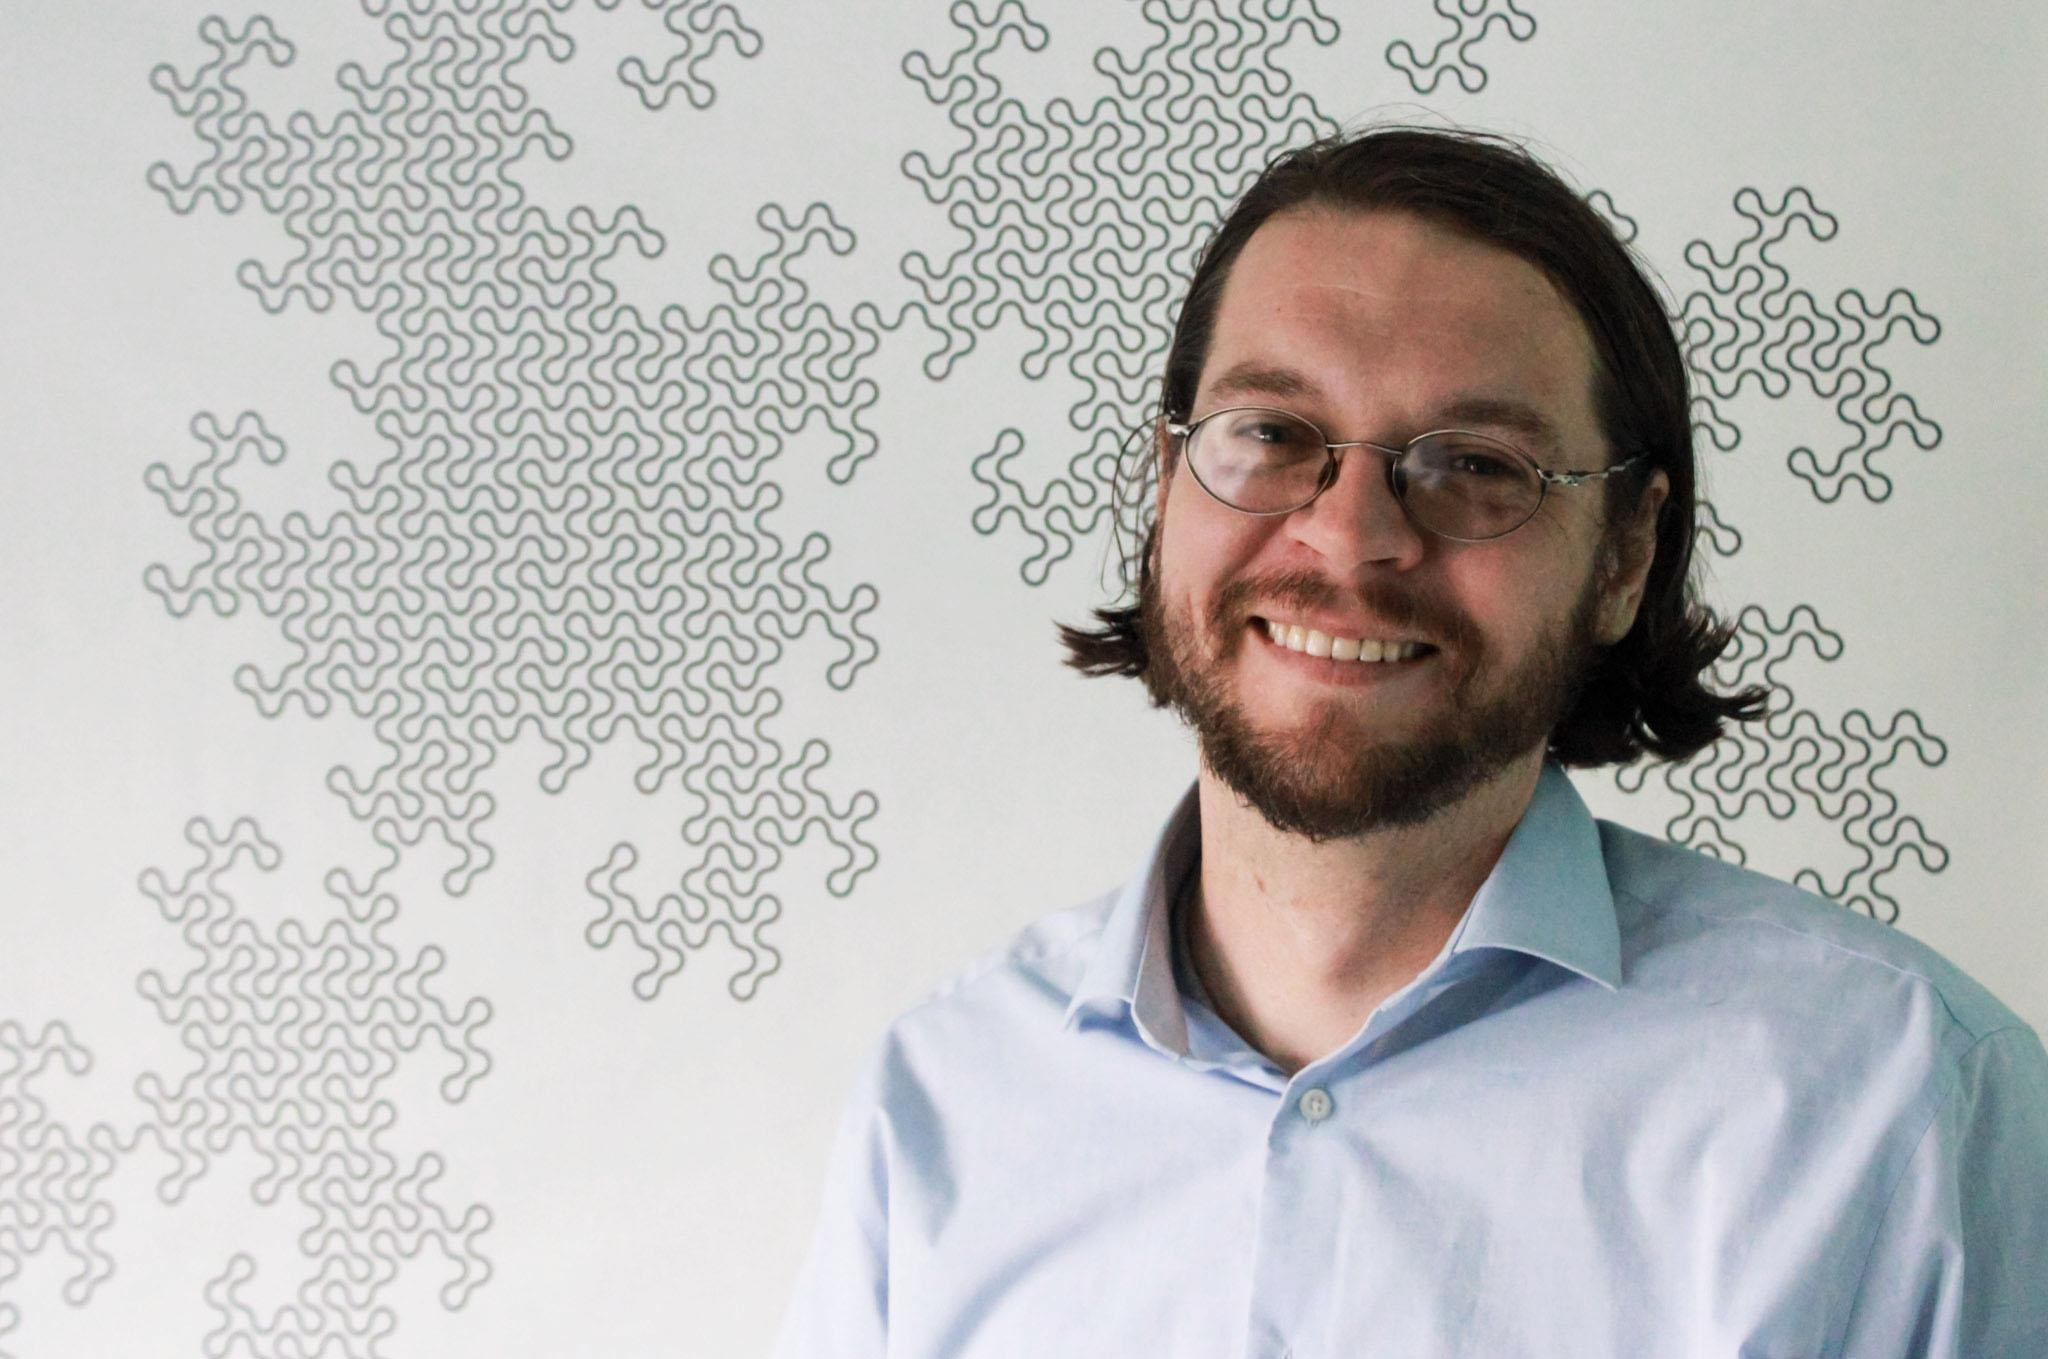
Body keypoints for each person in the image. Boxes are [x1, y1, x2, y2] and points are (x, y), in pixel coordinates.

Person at [770, 126, 2048, 1358]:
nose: (1349, 537)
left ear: (1623, 557)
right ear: (1161, 489)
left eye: (1476, 464)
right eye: (1270, 434)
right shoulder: (945, 1100)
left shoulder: (1895, 1098)